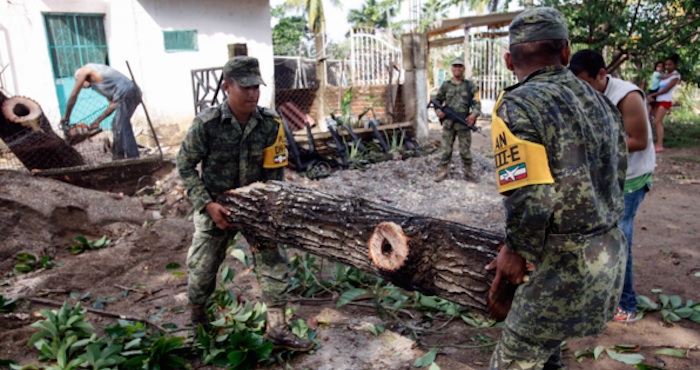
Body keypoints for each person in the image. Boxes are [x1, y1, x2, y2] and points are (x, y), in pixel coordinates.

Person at [485, 8, 627, 369]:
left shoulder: (517, 105)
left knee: (515, 360)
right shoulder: (603, 103)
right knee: (547, 353)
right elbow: (616, 179)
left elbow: (529, 195)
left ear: (508, 60)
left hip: (559, 270)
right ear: (566, 52)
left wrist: (515, 251)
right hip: (606, 260)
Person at [176, 56, 313, 351]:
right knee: (201, 269)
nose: (253, 93)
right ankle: (197, 326)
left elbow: (274, 176)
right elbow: (185, 166)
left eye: (257, 87)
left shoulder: (270, 123)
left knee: (275, 264)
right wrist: (207, 205)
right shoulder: (207, 124)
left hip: (256, 208)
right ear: (227, 86)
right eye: (246, 87)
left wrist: (271, 211)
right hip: (216, 208)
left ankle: (277, 328)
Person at [569, 49, 656, 323]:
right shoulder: (586, 93)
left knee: (620, 236)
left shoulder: (627, 96)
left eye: (587, 83)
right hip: (606, 175)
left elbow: (639, 141)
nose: (583, 90)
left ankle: (627, 304)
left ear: (602, 75)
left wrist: (594, 148)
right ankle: (601, 293)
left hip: (631, 176)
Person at [60, 63, 141, 159]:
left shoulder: (84, 70)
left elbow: (73, 95)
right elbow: (112, 105)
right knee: (117, 124)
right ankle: (119, 157)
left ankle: (131, 157)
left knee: (121, 125)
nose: (87, 87)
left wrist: (66, 117)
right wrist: (98, 121)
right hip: (133, 92)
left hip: (126, 92)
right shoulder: (102, 82)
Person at [433, 57, 482, 182]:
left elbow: (477, 103)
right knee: (446, 149)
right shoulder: (446, 85)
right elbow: (436, 100)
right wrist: (439, 112)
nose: (457, 69)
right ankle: (443, 171)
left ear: (463, 69)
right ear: (452, 69)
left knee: (465, 150)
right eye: (455, 66)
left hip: (463, 123)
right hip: (448, 123)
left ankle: (468, 172)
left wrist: (473, 115)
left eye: (460, 66)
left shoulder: (469, 85)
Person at [647, 54, 681, 152]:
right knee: (657, 122)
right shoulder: (664, 75)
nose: (667, 67)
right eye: (666, 65)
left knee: (657, 121)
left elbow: (666, 90)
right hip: (657, 100)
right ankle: (657, 143)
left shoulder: (675, 76)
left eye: (670, 64)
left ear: (675, 65)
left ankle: (660, 144)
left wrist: (653, 95)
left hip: (665, 101)